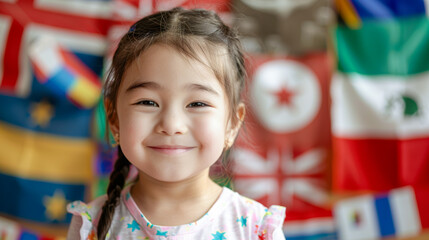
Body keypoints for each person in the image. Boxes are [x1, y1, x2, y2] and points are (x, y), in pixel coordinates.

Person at [67, 7, 286, 240]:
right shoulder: (92, 225)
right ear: (114, 118)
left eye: (197, 104)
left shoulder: (255, 228)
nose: (171, 125)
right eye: (148, 102)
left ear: (232, 123)